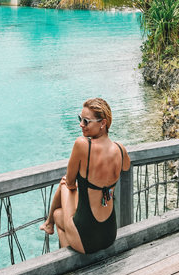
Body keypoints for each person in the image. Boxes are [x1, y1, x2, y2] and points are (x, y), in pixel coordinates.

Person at [39, 97, 131, 254]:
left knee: (62, 190)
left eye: (86, 121)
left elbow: (70, 183)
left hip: (86, 239)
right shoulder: (120, 149)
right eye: (80, 119)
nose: (81, 124)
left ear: (103, 123)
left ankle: (49, 224)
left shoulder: (82, 145)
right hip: (109, 234)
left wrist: (71, 183)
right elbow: (126, 166)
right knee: (59, 214)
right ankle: (49, 223)